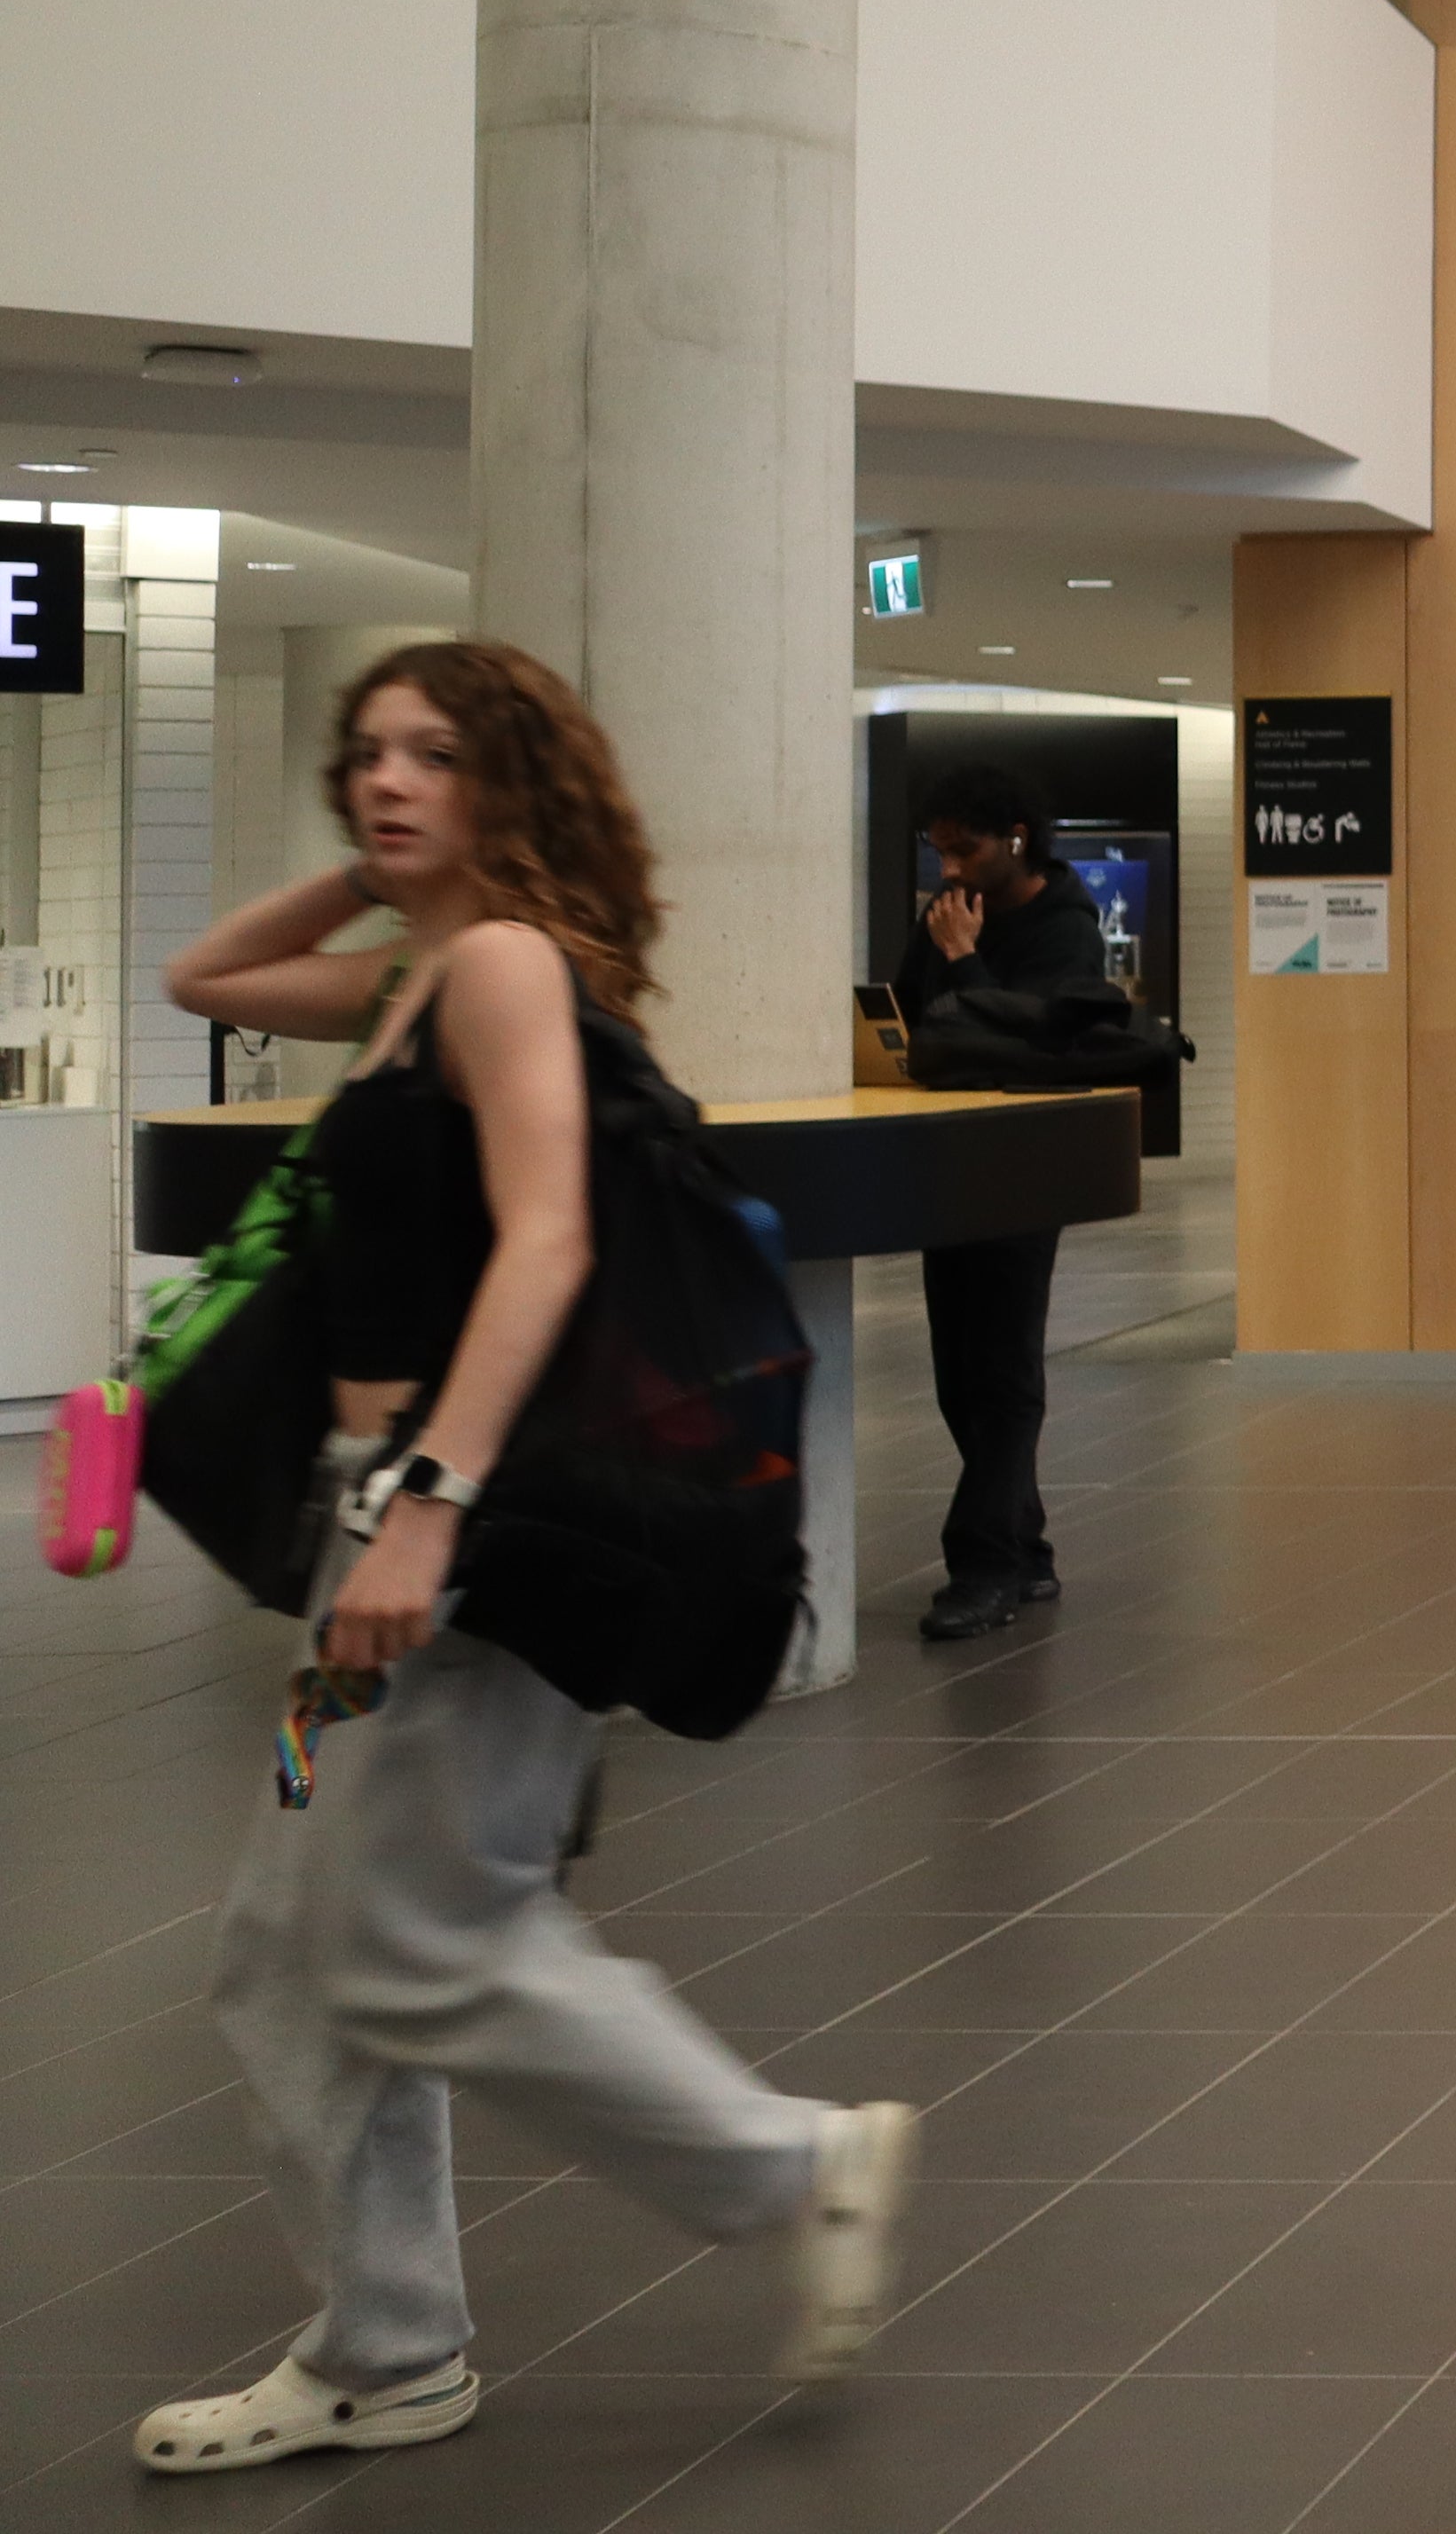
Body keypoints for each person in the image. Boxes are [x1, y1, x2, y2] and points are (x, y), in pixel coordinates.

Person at [141, 641, 914, 2476]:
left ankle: (794, 2165)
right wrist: (381, 856)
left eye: (435, 757)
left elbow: (547, 1239)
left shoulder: (497, 969)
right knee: (283, 1948)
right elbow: (208, 973)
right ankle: (388, 2342)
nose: (387, 781)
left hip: (440, 1531)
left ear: (517, 784)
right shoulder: (420, 972)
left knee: (418, 1937)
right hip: (371, 1519)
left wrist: (430, 1494)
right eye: (367, 758)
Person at [890, 759, 1106, 1641]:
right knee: (958, 1370)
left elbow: (1036, 1042)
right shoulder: (940, 919)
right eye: (937, 850)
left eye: (964, 848)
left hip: (1026, 1164)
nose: (948, 870)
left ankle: (982, 1562)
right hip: (954, 1162)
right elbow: (909, 1015)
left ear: (1015, 838)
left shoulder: (1066, 926)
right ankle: (1027, 1542)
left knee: (1005, 1369)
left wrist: (965, 959)